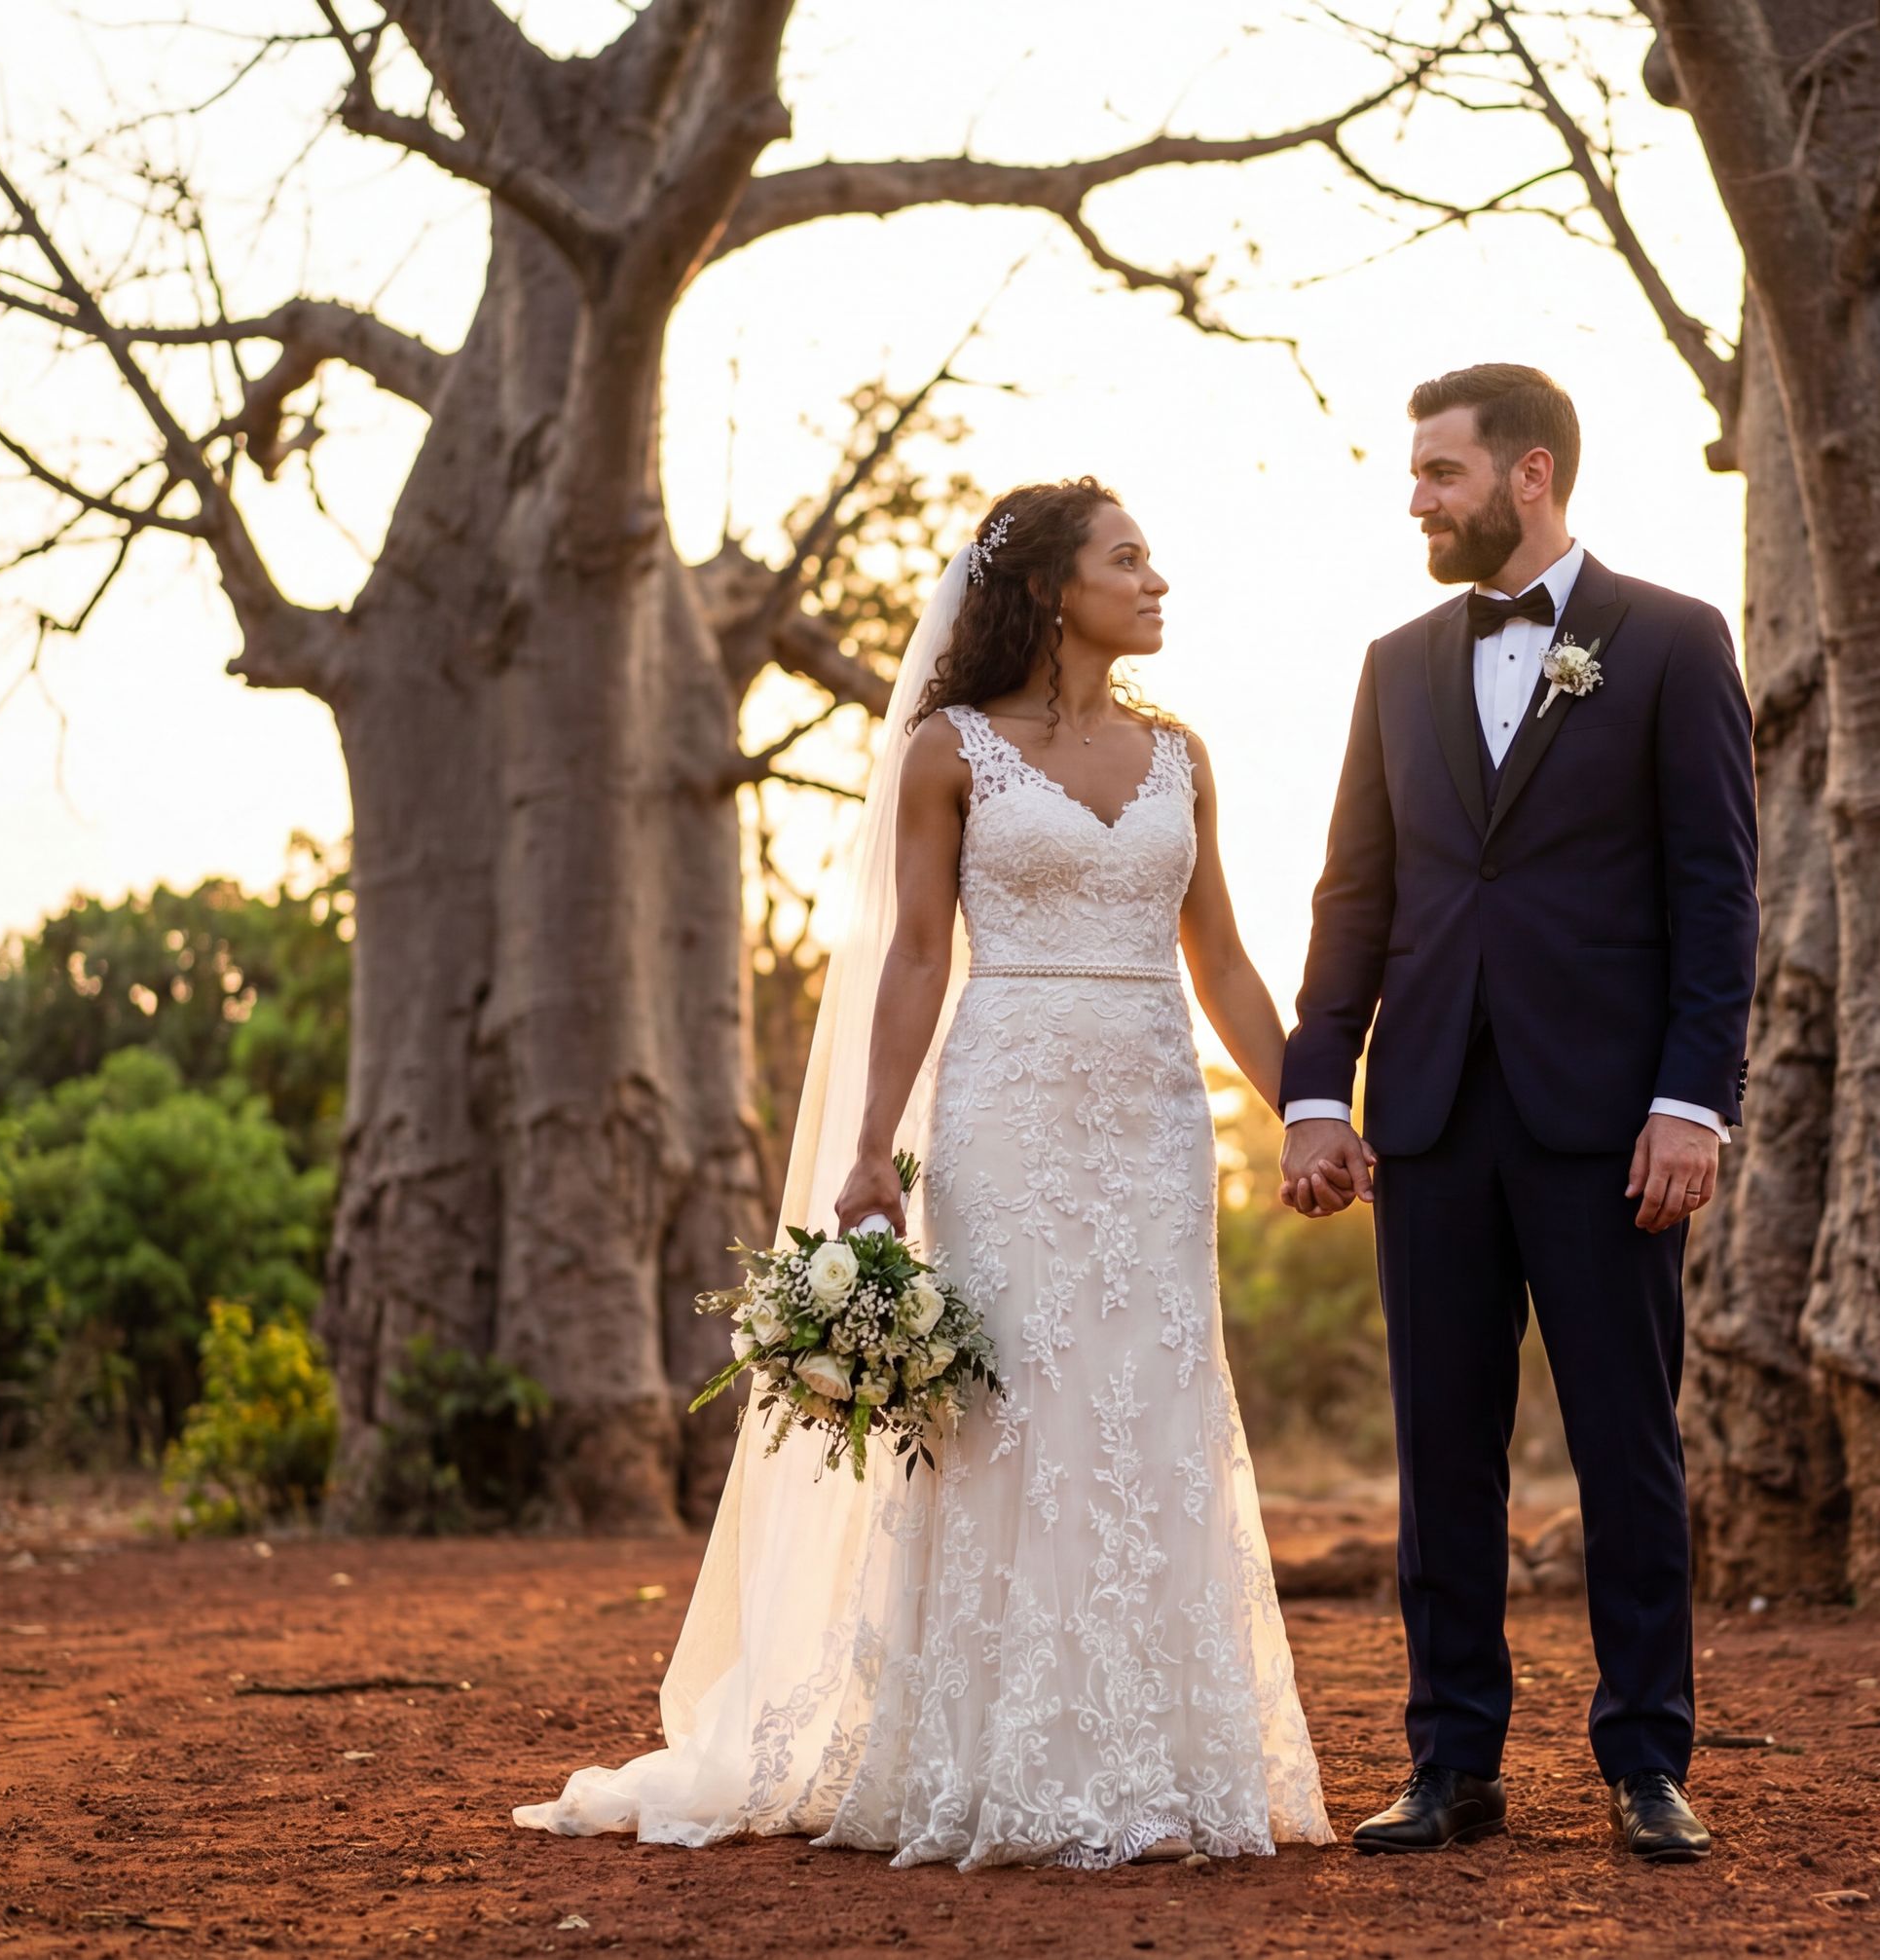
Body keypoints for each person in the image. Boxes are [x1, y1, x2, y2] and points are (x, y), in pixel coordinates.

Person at [515, 477, 1329, 1869]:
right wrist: (866, 1151)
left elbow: (1228, 964)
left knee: (1147, 1408)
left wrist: (1316, 1106)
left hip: (1149, 1116)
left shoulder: (1183, 754)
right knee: (1015, 1419)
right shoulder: (948, 752)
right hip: (1005, 1108)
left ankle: (1158, 1759)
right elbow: (909, 956)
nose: (1157, 580)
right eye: (1128, 559)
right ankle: (988, 1757)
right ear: (1052, 590)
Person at [1279, 364, 1761, 1864]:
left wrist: (1693, 1100)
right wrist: (1314, 1087)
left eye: (1439, 473)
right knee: (1442, 1457)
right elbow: (1356, 888)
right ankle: (1452, 1760)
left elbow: (1716, 893)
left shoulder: (1674, 643)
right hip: (1425, 1117)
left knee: (1627, 1447)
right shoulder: (1395, 661)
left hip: (1611, 1121)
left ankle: (1644, 1759)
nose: (1416, 499)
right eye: (1417, 476)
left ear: (1529, 473)